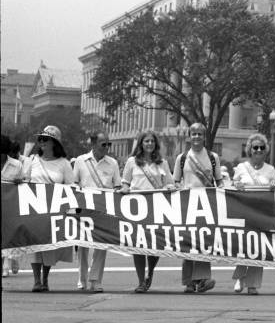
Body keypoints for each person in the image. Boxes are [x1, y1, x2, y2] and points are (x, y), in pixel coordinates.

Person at [120, 130, 175, 293]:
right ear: (141, 144)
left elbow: (169, 183)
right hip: (136, 209)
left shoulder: (162, 162)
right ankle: (140, 280)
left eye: (152, 141)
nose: (149, 144)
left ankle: (149, 273)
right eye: (146, 141)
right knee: (138, 245)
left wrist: (170, 188)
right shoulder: (132, 162)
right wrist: (124, 189)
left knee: (153, 245)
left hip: (157, 208)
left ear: (155, 144)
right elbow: (125, 182)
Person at [23, 126, 74, 292]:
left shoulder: (64, 164)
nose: (42, 142)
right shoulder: (32, 160)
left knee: (49, 246)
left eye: (46, 139)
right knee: (35, 246)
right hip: (34, 210)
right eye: (41, 139)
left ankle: (45, 278)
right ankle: (36, 280)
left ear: (54, 143)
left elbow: (71, 187)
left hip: (54, 210)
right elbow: (25, 181)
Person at [173, 123, 223, 294]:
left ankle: (202, 279)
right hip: (187, 205)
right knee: (188, 242)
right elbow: (176, 182)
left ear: (204, 136)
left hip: (207, 205)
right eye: (193, 134)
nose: (196, 137)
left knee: (203, 241)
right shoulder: (182, 158)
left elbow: (219, 182)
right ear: (189, 136)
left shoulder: (213, 157)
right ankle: (188, 282)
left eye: (199, 134)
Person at [72, 130, 121, 292]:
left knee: (101, 246)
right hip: (83, 209)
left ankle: (96, 280)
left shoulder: (113, 163)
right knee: (82, 245)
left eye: (109, 144)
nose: (107, 147)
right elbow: (74, 183)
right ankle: (82, 278)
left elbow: (118, 186)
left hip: (104, 208)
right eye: (103, 144)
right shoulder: (81, 161)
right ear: (93, 144)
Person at [232, 133, 275, 295]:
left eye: (262, 147)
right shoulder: (241, 167)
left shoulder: (270, 169)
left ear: (266, 150)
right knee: (243, 246)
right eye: (255, 147)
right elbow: (231, 185)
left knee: (258, 248)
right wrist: (235, 184)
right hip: (243, 211)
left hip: (262, 213)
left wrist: (274, 185)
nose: (258, 150)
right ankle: (240, 277)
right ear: (249, 150)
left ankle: (253, 284)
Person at [2, 135, 24, 277]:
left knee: (8, 236)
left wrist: (20, 181)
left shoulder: (17, 165)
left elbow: (24, 185)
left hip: (10, 207)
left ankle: (10, 261)